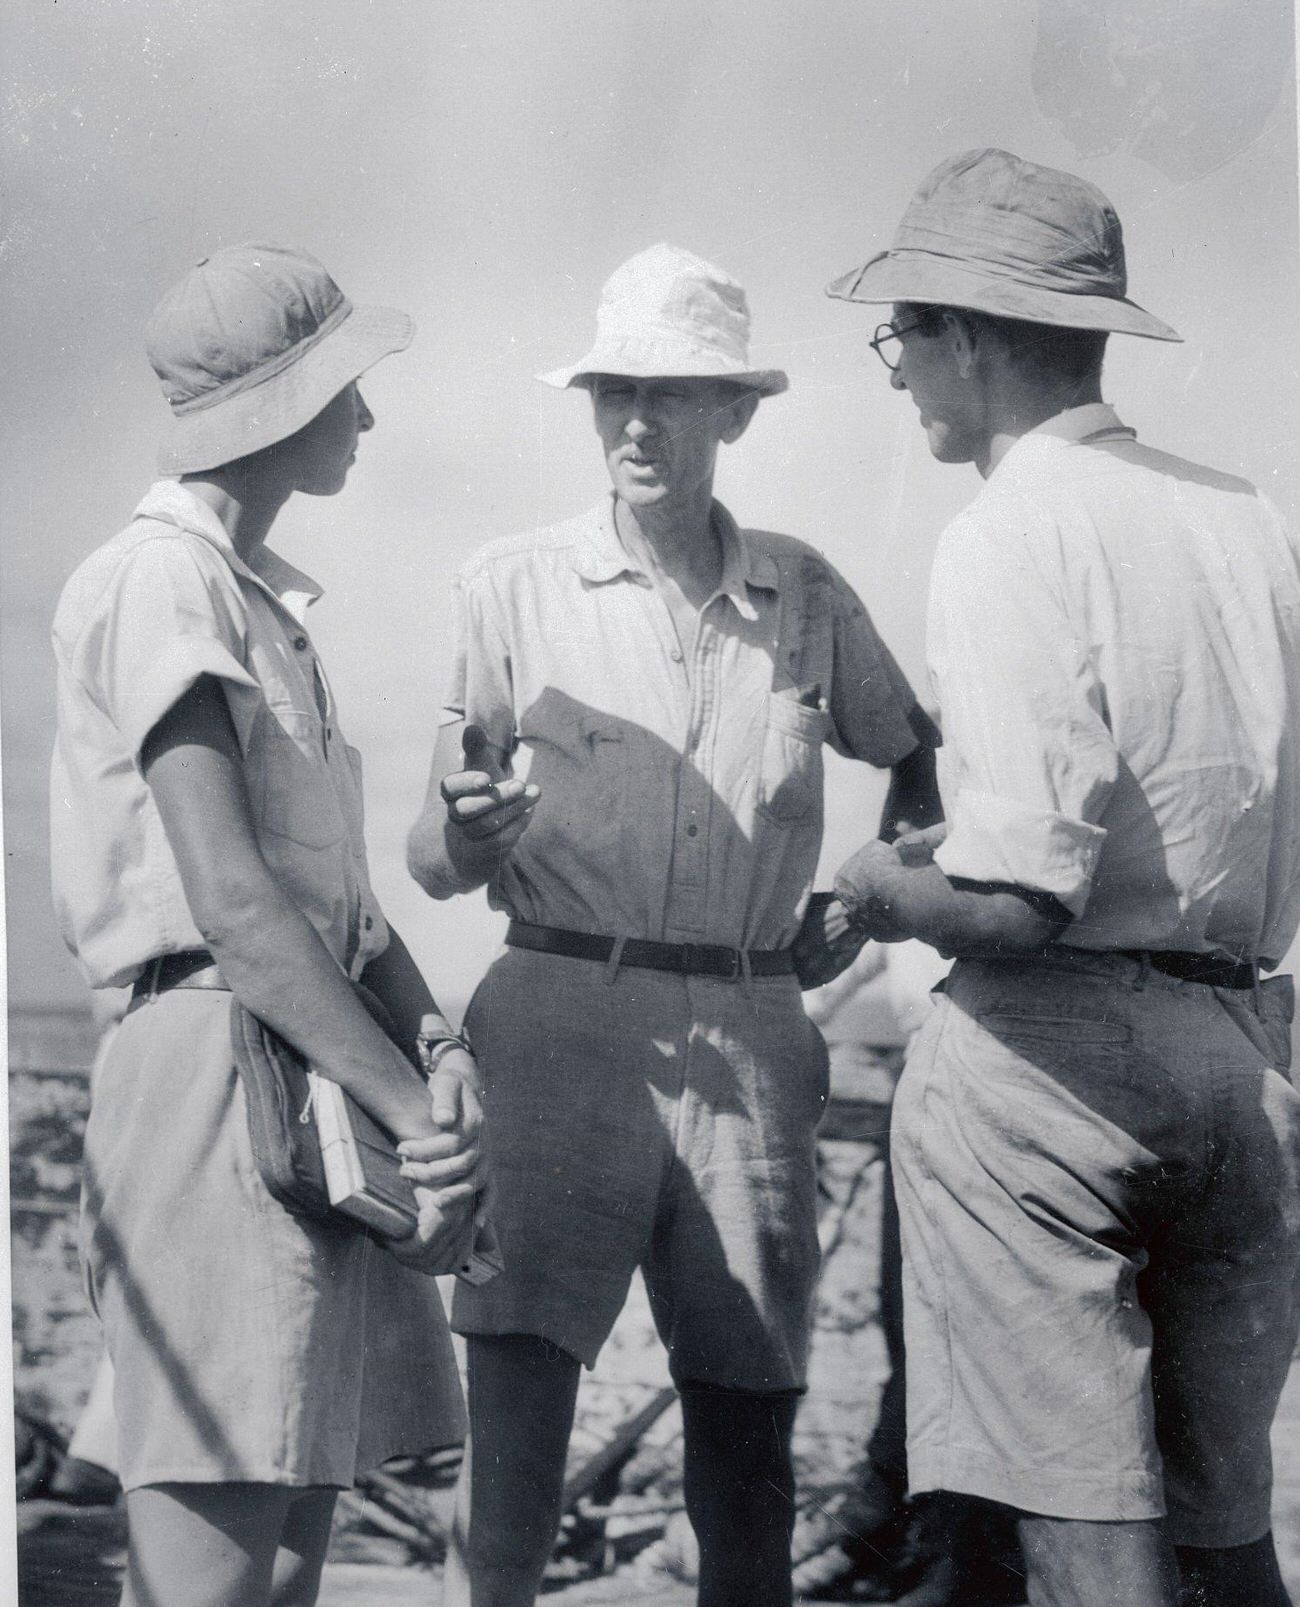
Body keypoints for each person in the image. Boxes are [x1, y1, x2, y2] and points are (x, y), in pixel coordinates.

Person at [406, 242, 941, 1607]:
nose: (637, 423)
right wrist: (465, 834)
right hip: (556, 1021)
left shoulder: (808, 595)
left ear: (737, 413)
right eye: (612, 393)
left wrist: (865, 891)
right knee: (516, 1425)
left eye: (673, 393)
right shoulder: (510, 585)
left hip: (756, 1040)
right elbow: (429, 859)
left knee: (747, 1434)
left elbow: (916, 752)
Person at [826, 147, 1300, 1607]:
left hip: (1058, 1070)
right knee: (1228, 1530)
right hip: (1246, 1051)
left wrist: (874, 883)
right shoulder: (1246, 516)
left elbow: (1021, 900)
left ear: (969, 331)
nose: (897, 368)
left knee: (1085, 1534)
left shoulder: (1009, 530)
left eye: (904, 333)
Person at [50, 243, 484, 1607]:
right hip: (212, 1080)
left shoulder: (260, 605)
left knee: (282, 1558)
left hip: (301, 1079)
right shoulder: (158, 581)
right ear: (280, 405)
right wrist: (410, 1111)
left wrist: (438, 1044)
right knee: (210, 1580)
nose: (367, 416)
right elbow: (233, 906)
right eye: (349, 384)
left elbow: (334, 908)